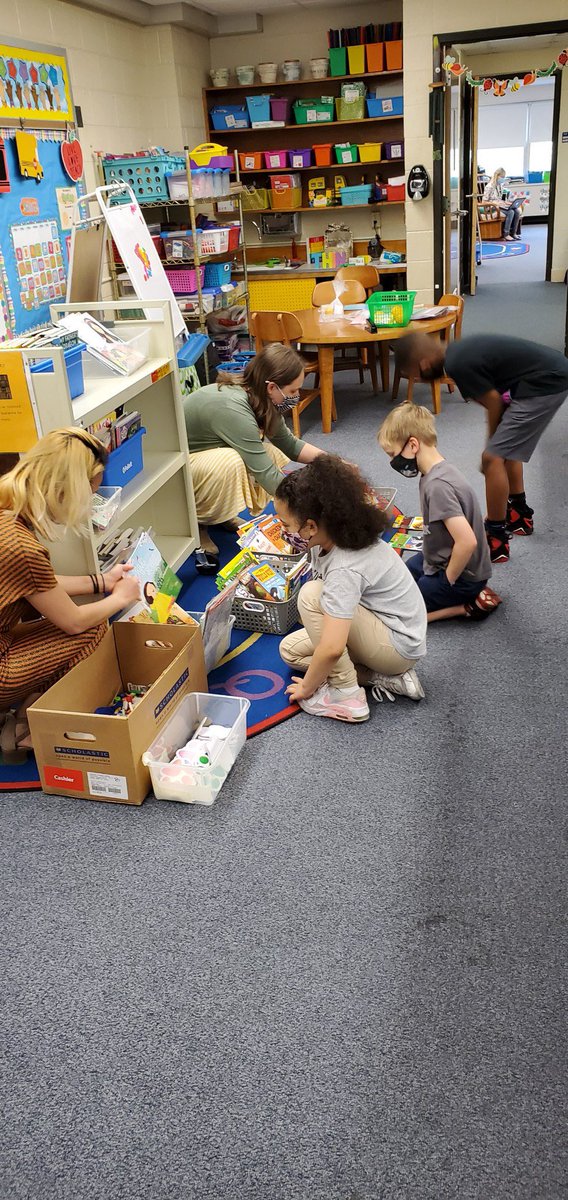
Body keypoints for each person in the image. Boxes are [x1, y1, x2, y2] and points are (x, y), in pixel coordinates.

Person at [0, 428, 141, 755]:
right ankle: (30, 725)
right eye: (88, 495)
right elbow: (74, 622)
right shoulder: (21, 546)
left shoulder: (8, 505)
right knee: (92, 630)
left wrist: (101, 582)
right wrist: (121, 597)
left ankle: (29, 712)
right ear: (65, 489)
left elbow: (36, 582)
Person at [393, 332, 568, 563]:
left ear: (423, 364)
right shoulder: (457, 353)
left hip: (545, 382)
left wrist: (491, 447)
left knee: (493, 458)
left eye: (416, 376)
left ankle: (496, 538)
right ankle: (519, 515)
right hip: (544, 374)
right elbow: (492, 399)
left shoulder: (458, 364)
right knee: (504, 451)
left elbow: (493, 402)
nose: (420, 380)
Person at [275, 456, 428, 722]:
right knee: (291, 651)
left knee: (312, 596)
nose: (282, 531)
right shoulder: (329, 538)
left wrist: (308, 687)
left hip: (397, 644)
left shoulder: (345, 564)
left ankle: (347, 695)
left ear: (311, 526)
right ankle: (381, 678)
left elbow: (332, 648)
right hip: (377, 628)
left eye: (286, 524)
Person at [183, 344, 324, 559]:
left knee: (271, 453)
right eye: (293, 391)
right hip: (179, 468)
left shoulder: (262, 399)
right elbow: (267, 474)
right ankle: (197, 524)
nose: (296, 396)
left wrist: (332, 462)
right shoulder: (234, 408)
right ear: (272, 388)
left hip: (203, 456)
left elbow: (290, 445)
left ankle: (221, 516)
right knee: (230, 462)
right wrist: (308, 510)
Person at [378, 403, 502, 622]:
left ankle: (466, 607)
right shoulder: (436, 471)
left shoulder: (438, 486)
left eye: (392, 453)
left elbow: (467, 542)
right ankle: (448, 589)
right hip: (441, 557)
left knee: (403, 613)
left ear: (413, 444)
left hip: (464, 576)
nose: (392, 461)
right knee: (406, 572)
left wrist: (447, 580)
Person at [482, 168, 524, 241]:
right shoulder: (489, 187)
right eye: (502, 177)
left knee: (516, 211)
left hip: (500, 206)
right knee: (510, 212)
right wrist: (495, 203)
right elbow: (484, 202)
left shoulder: (499, 186)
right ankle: (506, 234)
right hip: (491, 208)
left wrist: (507, 203)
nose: (503, 179)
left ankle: (513, 233)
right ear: (497, 176)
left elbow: (500, 198)